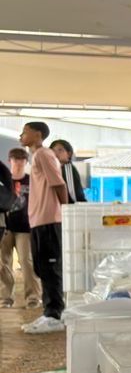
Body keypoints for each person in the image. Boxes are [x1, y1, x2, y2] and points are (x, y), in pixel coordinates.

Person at [20, 121, 69, 333]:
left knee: (50, 268)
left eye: (25, 132)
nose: (21, 135)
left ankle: (55, 315)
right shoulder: (36, 157)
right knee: (41, 268)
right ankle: (49, 312)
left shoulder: (43, 154)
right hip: (39, 220)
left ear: (38, 134)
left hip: (49, 220)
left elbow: (59, 184)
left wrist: (66, 213)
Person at [1, 147, 39, 309]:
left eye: (21, 160)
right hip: (5, 226)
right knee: (3, 263)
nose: (18, 163)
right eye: (15, 160)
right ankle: (7, 297)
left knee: (26, 261)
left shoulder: (32, 180)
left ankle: (33, 297)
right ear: (10, 161)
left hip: (25, 227)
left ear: (26, 162)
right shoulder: (3, 180)